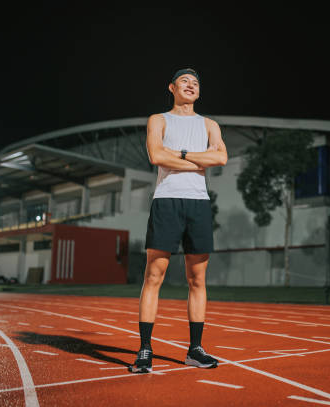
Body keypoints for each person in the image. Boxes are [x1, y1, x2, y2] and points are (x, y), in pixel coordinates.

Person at [129, 68, 228, 373]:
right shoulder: (158, 120)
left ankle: (194, 350)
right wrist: (199, 157)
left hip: (198, 204)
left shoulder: (210, 124)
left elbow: (221, 158)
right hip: (167, 201)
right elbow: (157, 156)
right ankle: (145, 350)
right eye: (185, 81)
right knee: (153, 277)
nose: (191, 85)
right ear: (171, 87)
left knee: (197, 280)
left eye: (196, 82)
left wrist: (180, 153)